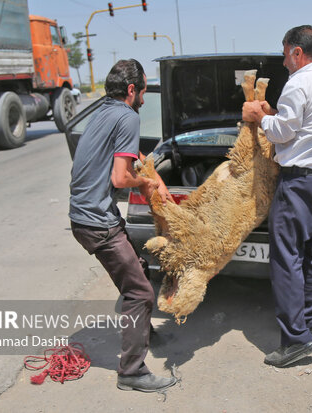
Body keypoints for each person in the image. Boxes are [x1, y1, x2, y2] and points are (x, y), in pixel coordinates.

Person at [69, 59, 177, 392]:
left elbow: (129, 154)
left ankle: (143, 333)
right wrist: (146, 185)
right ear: (132, 90)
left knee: (138, 268)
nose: (144, 97)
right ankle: (131, 371)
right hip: (97, 222)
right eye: (143, 89)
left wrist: (152, 173)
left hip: (85, 216)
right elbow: (120, 176)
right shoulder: (129, 115)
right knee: (140, 292)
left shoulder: (103, 111)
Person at [242, 25, 312, 367]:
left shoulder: (298, 82)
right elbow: (304, 126)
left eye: (285, 53)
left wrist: (260, 118)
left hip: (298, 183)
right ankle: (310, 325)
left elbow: (284, 132)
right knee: (311, 253)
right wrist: (275, 115)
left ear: (297, 52)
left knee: (286, 260)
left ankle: (295, 340)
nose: (284, 61)